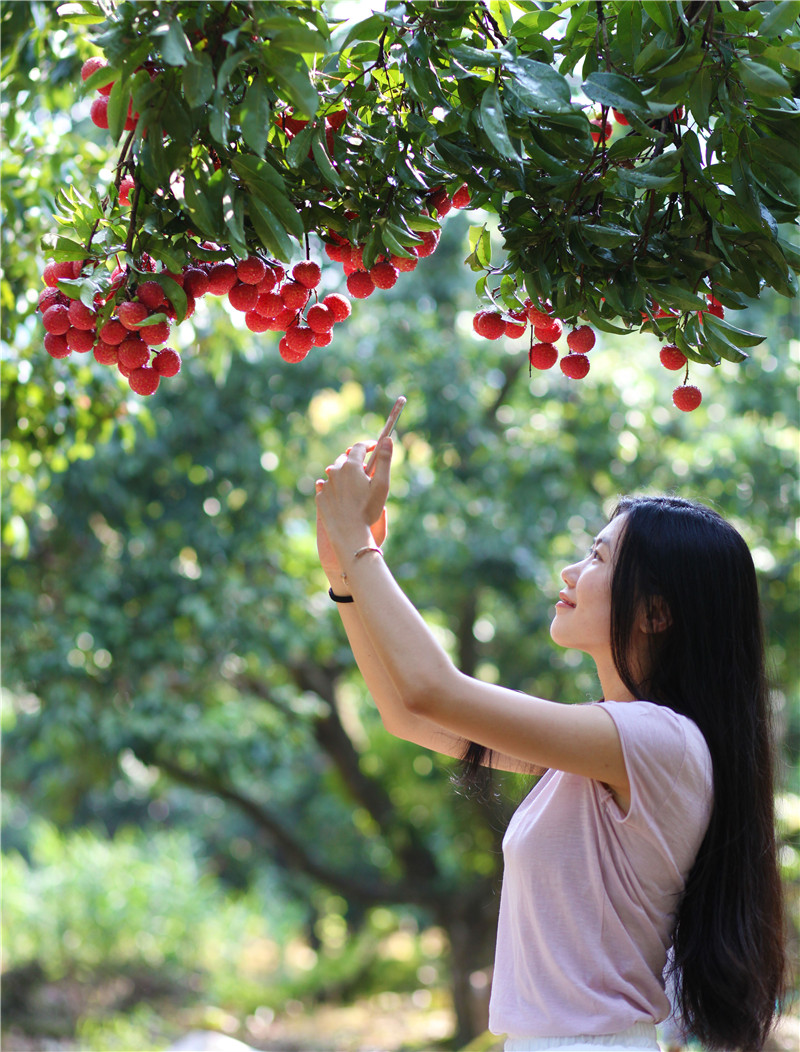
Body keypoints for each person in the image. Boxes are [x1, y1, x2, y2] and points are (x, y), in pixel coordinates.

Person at [314, 435, 786, 1052]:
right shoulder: (606, 745)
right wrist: (344, 573)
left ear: (655, 613)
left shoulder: (658, 742)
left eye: (598, 557)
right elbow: (410, 714)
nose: (571, 571)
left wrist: (359, 543)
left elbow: (436, 692)